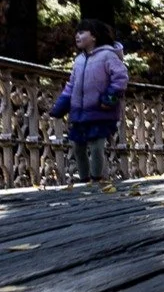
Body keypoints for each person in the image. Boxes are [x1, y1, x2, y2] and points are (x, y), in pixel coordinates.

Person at [50, 18, 128, 183]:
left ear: (94, 36)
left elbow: (120, 77)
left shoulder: (108, 55)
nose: (77, 36)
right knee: (77, 147)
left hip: (101, 110)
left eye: (82, 32)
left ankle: (96, 179)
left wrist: (110, 97)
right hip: (79, 112)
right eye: (76, 32)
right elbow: (72, 84)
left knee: (96, 146)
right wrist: (62, 104)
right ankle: (85, 180)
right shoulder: (78, 60)